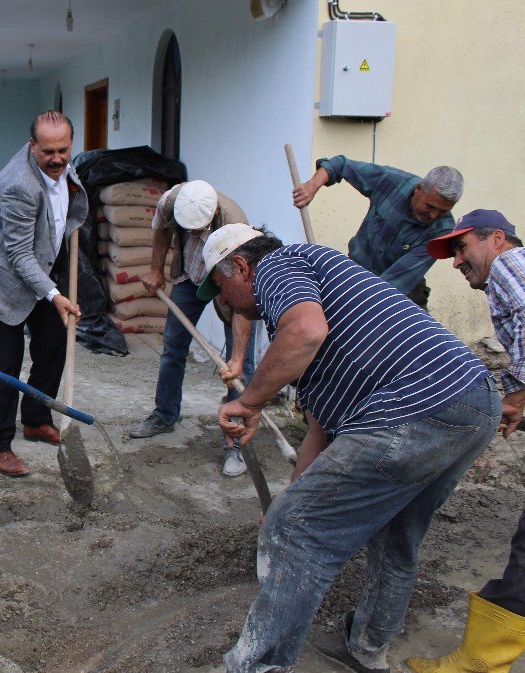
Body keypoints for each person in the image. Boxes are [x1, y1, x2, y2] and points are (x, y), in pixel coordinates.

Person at [197, 224, 499, 673]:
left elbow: (304, 332)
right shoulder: (327, 303)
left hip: (415, 405)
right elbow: (320, 435)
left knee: (300, 531)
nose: (225, 302)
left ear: (241, 266)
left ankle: (252, 667)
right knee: (394, 534)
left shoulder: (279, 266)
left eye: (222, 289)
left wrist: (249, 401)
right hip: (472, 400)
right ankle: (366, 650)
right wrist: (293, 497)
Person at [403, 210, 525, 673]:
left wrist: (514, 396)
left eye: (461, 248)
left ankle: (480, 662)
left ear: (496, 239)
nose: (455, 262)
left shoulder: (513, 268)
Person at [0, 110, 87, 478]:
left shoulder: (62, 165)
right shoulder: (20, 185)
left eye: (63, 150)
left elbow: (66, 208)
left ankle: (34, 418)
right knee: (6, 359)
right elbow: (18, 254)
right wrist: (54, 293)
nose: (57, 159)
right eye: (48, 151)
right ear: (32, 146)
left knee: (52, 341)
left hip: (35, 269)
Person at [128, 179, 258, 477]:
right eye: (190, 231)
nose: (195, 234)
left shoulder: (237, 228)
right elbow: (161, 231)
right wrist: (155, 270)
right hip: (191, 275)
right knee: (173, 347)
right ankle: (164, 415)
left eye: (200, 230)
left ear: (213, 216)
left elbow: (244, 304)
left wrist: (236, 357)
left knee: (241, 367)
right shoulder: (171, 202)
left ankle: (235, 444)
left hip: (228, 281)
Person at [292, 156, 464, 307]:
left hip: (399, 298)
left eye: (442, 211)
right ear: (418, 189)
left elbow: (393, 284)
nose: (434, 215)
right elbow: (340, 165)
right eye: (430, 206)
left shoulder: (442, 231)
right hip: (356, 274)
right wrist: (312, 186)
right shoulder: (392, 182)